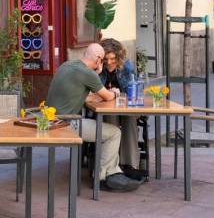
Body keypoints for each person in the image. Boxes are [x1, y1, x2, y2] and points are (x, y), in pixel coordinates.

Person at [46, 43, 142, 192]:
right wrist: (116, 92)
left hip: (50, 120)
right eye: (103, 59)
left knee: (110, 130)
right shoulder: (88, 73)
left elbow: (85, 95)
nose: (105, 63)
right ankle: (104, 177)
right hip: (66, 124)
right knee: (114, 133)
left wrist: (95, 78)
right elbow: (108, 95)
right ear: (98, 59)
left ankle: (112, 171)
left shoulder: (67, 65)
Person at [98, 38, 146, 181]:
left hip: (123, 105)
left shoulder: (127, 67)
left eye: (113, 59)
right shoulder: (98, 68)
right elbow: (94, 91)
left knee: (130, 118)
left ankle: (130, 165)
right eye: (106, 59)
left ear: (118, 57)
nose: (110, 62)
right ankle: (112, 166)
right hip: (105, 108)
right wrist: (98, 71)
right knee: (110, 119)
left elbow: (134, 88)